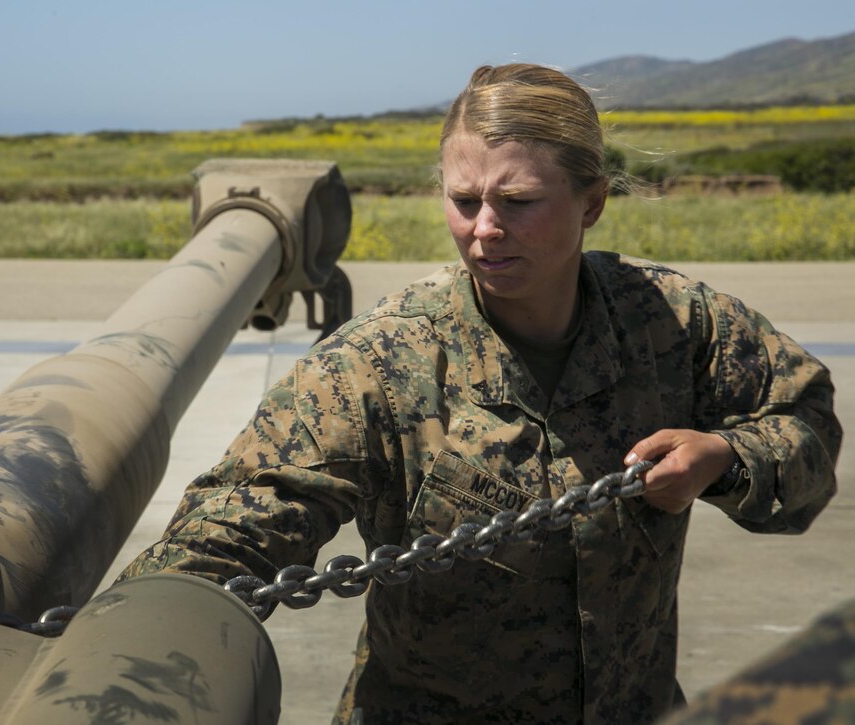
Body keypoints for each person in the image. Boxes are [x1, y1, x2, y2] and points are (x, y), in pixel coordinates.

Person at [119, 63, 842, 723]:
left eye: (519, 201)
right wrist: (123, 646)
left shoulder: (673, 322)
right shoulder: (380, 361)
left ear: (591, 204)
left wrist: (724, 455)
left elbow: (807, 420)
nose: (485, 230)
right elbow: (236, 521)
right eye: (463, 200)